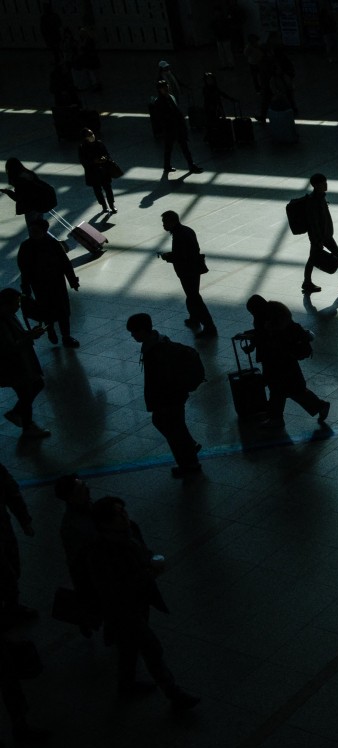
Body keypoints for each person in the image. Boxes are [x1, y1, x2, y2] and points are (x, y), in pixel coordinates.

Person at [87, 496, 200, 713]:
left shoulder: (130, 531)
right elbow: (114, 588)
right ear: (105, 523)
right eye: (118, 514)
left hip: (138, 601)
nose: (125, 516)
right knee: (151, 648)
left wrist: (149, 564)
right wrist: (149, 573)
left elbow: (142, 552)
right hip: (123, 609)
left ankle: (126, 684)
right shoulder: (100, 553)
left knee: (129, 647)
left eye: (123, 511)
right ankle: (173, 693)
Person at [124, 313, 202, 478]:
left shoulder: (155, 351)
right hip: (175, 396)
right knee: (175, 426)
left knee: (171, 428)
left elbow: (160, 380)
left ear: (143, 331)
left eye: (134, 332)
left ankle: (188, 462)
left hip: (168, 398)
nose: (132, 336)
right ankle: (190, 451)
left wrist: (157, 400)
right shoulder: (158, 341)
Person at [242, 297, 329, 428]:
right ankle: (278, 417)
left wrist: (254, 342)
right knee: (286, 390)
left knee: (283, 389)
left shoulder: (270, 320)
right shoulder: (274, 313)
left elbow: (268, 338)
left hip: (279, 361)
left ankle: (278, 418)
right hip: (282, 361)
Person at [18, 218, 80, 348]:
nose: (32, 233)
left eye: (35, 231)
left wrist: (72, 280)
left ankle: (61, 334)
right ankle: (57, 333)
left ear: (44, 231)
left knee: (59, 311)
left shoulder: (31, 246)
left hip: (50, 284)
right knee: (53, 310)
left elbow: (65, 264)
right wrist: (25, 287)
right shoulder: (48, 244)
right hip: (47, 284)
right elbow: (24, 270)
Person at [53, 474, 100, 636]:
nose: (87, 488)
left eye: (84, 484)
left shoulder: (88, 507)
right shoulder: (71, 527)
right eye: (81, 488)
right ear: (71, 498)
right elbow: (77, 561)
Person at [157, 211, 217, 338]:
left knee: (194, 297)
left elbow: (181, 256)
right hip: (193, 269)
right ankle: (194, 317)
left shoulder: (179, 235)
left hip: (187, 271)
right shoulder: (186, 230)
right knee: (191, 295)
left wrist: (167, 256)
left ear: (172, 222)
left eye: (165, 222)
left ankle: (209, 326)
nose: (163, 225)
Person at [0, 290, 51, 439]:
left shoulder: (8, 316)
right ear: (6, 304)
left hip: (17, 363)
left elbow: (17, 336)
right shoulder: (2, 321)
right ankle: (25, 423)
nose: (18, 306)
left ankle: (21, 419)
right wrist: (31, 336)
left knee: (30, 389)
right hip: (14, 365)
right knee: (29, 390)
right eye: (16, 303)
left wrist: (29, 333)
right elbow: (10, 347)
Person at [0, 463, 37, 626]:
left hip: (2, 528)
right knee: (8, 573)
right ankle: (11, 608)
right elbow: (12, 493)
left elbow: (11, 493)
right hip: (2, 528)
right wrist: (24, 521)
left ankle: (10, 607)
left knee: (11, 568)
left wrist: (24, 520)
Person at [150, 80, 202, 179]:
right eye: (164, 87)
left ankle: (188, 165)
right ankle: (171, 166)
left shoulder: (170, 97)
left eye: (167, 86)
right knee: (171, 148)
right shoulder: (159, 102)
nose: (166, 88)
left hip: (176, 127)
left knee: (182, 147)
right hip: (170, 128)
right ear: (159, 89)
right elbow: (160, 117)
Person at [3, 159, 55, 232]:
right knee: (40, 227)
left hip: (30, 207)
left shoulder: (18, 180)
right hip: (40, 203)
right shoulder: (29, 174)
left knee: (33, 229)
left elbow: (18, 197)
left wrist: (8, 192)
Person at [78, 127, 117, 212]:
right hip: (93, 173)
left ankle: (111, 204)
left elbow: (107, 154)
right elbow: (83, 161)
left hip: (103, 171)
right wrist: (94, 161)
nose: (92, 136)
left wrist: (104, 158)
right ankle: (104, 205)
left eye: (92, 133)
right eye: (89, 135)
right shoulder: (82, 148)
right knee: (98, 190)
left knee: (108, 188)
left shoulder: (99, 143)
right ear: (85, 138)